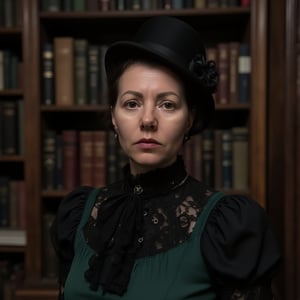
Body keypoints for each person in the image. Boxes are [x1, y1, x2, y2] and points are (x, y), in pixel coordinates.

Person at [50, 16, 281, 300]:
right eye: (132, 103)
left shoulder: (227, 226)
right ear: (113, 116)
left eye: (167, 104)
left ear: (189, 119)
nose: (147, 120)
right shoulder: (78, 213)